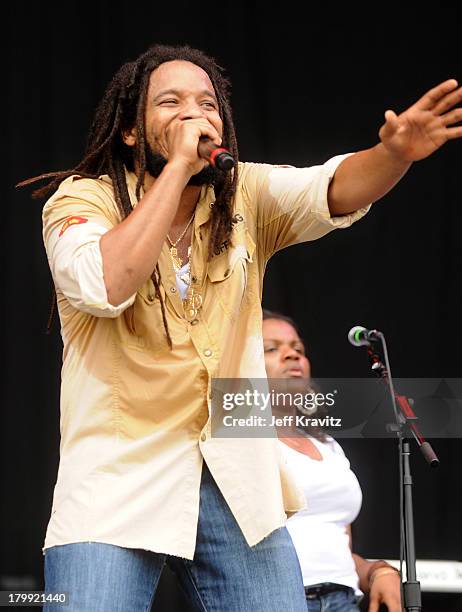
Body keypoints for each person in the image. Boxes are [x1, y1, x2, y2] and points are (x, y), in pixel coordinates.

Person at [18, 43, 461, 611]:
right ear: (130, 131)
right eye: (171, 101)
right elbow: (106, 284)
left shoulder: (244, 194)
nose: (194, 114)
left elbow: (332, 187)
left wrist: (393, 154)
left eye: (207, 103)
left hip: (237, 481)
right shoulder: (82, 199)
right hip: (117, 478)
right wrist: (178, 168)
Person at [262, 309, 402, 611]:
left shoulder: (328, 447)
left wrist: (377, 572)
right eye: (271, 349)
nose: (291, 355)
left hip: (343, 601)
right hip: (280, 600)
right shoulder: (238, 443)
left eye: (297, 349)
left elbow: (337, 550)